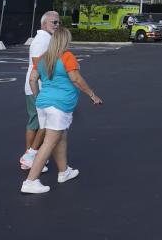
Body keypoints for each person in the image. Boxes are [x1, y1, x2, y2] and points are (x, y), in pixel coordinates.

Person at [21, 27, 103, 194]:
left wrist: (38, 98)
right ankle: (30, 181)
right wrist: (92, 95)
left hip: (44, 104)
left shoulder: (43, 58)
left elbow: (32, 79)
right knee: (49, 142)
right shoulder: (67, 57)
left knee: (60, 137)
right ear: (66, 40)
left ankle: (63, 171)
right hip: (59, 105)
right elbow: (76, 79)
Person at [21, 11, 59, 171]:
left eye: (58, 22)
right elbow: (37, 64)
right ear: (44, 24)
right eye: (54, 22)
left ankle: (34, 156)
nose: (57, 25)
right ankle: (29, 158)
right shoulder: (41, 40)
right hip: (38, 88)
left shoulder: (47, 38)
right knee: (38, 122)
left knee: (40, 122)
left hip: (41, 87)